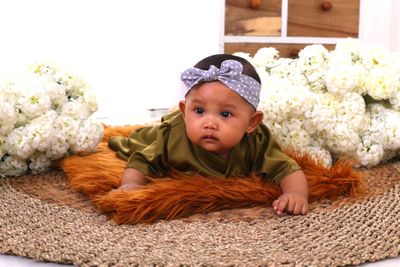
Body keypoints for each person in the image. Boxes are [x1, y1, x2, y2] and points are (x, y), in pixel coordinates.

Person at [108, 54, 309, 215]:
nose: (209, 123)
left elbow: (288, 169)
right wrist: (131, 183)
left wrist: (295, 193)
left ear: (251, 123)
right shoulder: (172, 137)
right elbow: (142, 160)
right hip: (157, 136)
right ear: (184, 111)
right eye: (199, 111)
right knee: (137, 139)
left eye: (225, 114)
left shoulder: (257, 142)